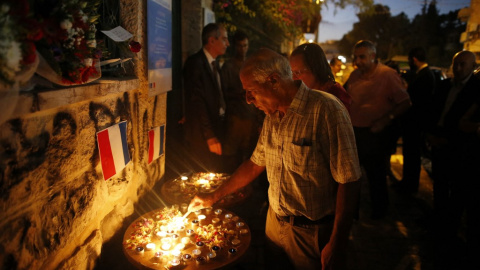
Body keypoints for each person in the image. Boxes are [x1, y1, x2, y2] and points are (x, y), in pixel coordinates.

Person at [188, 48, 362, 270]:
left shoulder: (326, 109)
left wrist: (337, 241)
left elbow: (349, 180)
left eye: (252, 91)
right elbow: (254, 164)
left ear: (273, 81)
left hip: (311, 234)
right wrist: (213, 196)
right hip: (274, 224)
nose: (249, 100)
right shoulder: (272, 116)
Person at [344, 40, 411, 219]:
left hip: (376, 135)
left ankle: (379, 214)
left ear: (373, 57)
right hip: (354, 133)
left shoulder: (388, 75)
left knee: (377, 177)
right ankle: (351, 212)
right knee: (351, 176)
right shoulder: (355, 75)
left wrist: (385, 120)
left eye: (362, 57)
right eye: (356, 57)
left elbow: (405, 102)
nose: (357, 61)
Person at [425, 50, 480, 269]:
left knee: (457, 191)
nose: (458, 69)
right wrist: (430, 134)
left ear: (472, 66)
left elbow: (464, 123)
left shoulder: (476, 90)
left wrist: (446, 139)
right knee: (438, 185)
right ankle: (439, 224)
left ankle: (450, 231)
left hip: (458, 148)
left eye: (463, 65)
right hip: (438, 141)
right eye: (456, 64)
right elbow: (433, 110)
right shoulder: (445, 85)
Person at [182, 23, 230, 172]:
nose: (227, 44)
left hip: (216, 125)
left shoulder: (215, 64)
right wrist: (209, 135)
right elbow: (197, 102)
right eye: (224, 39)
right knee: (204, 173)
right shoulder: (196, 63)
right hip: (202, 135)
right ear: (211, 41)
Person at [221, 30, 263, 172]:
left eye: (245, 46)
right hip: (234, 117)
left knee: (248, 154)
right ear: (234, 46)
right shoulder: (228, 66)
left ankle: (246, 190)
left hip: (250, 117)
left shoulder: (252, 65)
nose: (242, 49)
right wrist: (238, 94)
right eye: (240, 46)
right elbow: (223, 92)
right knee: (231, 156)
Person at [395, 47, 436, 194]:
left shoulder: (425, 76)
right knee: (410, 155)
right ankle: (407, 183)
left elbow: (419, 102)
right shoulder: (423, 74)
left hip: (416, 125)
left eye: (409, 60)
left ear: (414, 59)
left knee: (412, 157)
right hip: (413, 124)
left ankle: (410, 186)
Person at [289, 43, 352, 112]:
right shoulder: (302, 93)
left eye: (297, 73)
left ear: (315, 68)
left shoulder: (336, 97)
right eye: (292, 72)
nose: (293, 78)